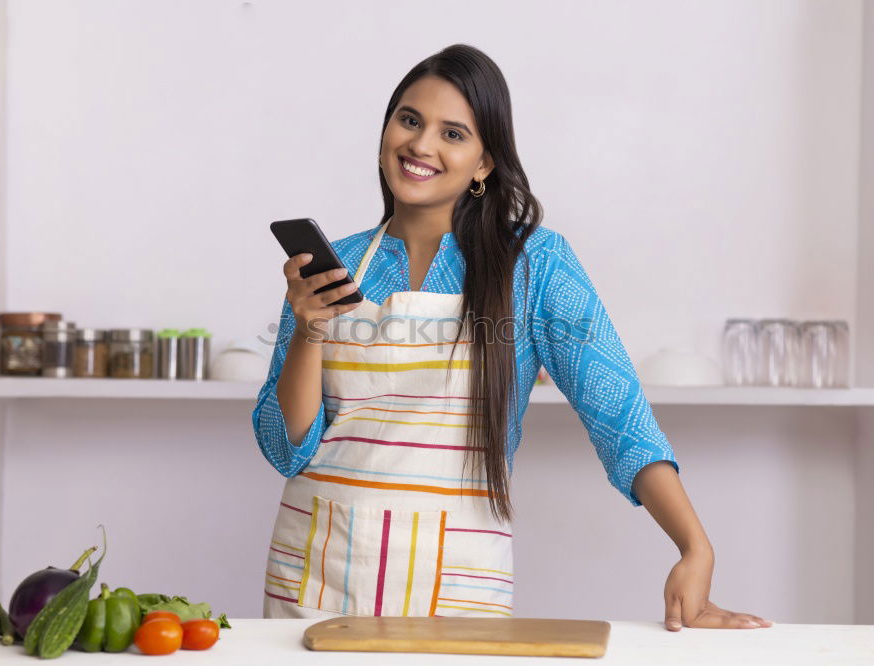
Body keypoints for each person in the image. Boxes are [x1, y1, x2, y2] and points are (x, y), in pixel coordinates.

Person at [253, 43, 772, 631]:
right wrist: (308, 329)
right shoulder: (332, 265)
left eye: (453, 133)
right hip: (312, 586)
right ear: (383, 134)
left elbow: (619, 416)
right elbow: (284, 447)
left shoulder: (534, 264)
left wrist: (694, 547)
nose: (421, 145)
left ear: (483, 163)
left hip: (457, 590)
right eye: (409, 120)